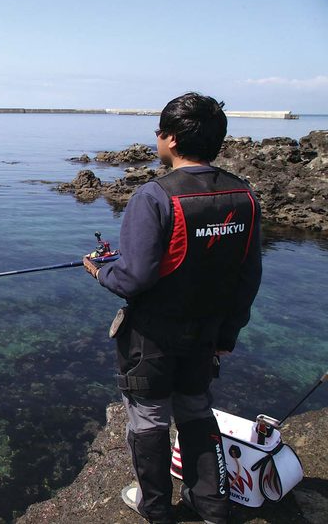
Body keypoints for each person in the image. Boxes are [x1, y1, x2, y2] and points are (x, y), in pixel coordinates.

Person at [83, 92, 263, 524]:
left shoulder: (154, 197)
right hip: (207, 334)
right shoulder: (245, 195)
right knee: (197, 412)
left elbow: (134, 278)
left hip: (153, 336)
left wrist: (99, 271)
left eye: (159, 133)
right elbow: (248, 277)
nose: (156, 140)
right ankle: (213, 506)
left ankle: (157, 508)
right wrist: (227, 336)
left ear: (172, 139)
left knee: (148, 420)